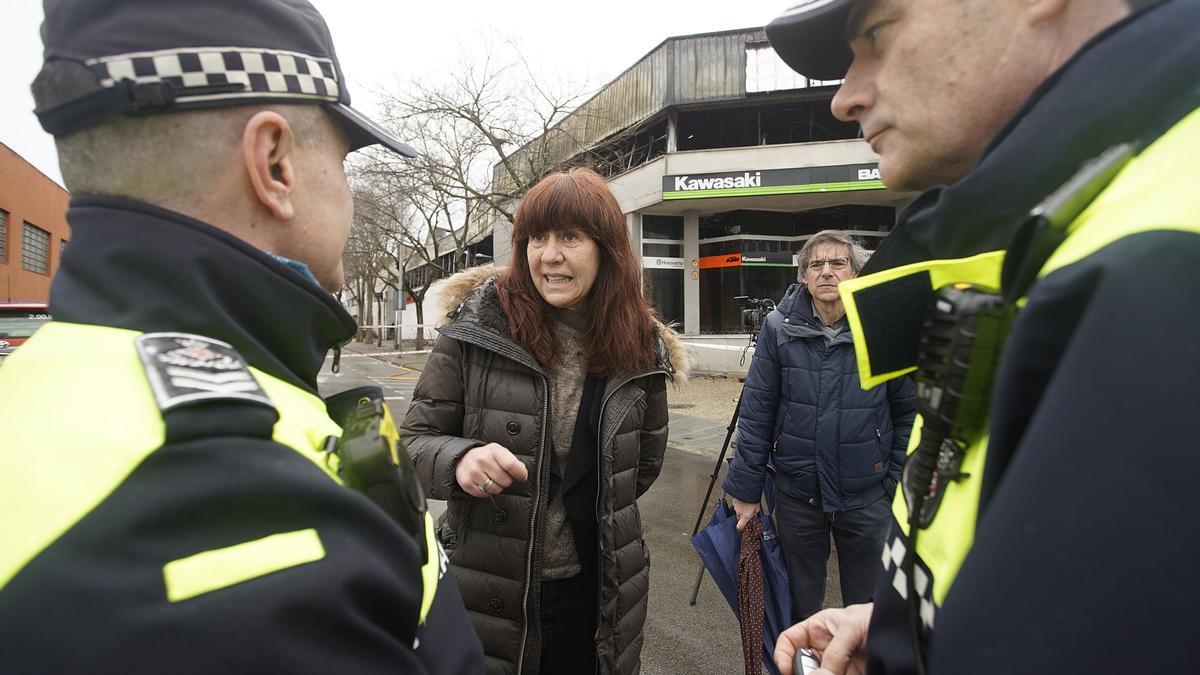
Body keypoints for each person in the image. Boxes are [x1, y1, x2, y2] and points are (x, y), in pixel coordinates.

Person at [0, 0, 483, 672]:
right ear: (275, 164)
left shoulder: (29, 390)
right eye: (343, 160)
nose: (345, 193)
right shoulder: (263, 529)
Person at [765, 0, 1199, 674]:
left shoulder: (1165, 262)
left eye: (877, 33)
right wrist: (910, 629)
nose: (844, 98)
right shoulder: (1047, 239)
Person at [401, 167, 688, 675]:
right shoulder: (476, 329)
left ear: (607, 249)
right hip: (488, 588)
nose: (549, 255)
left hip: (596, 592)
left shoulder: (641, 347)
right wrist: (461, 459)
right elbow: (412, 444)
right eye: (537, 237)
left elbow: (641, 466)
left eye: (570, 237)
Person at [724, 230, 915, 623]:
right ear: (804, 277)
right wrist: (745, 490)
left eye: (838, 263)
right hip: (798, 495)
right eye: (816, 264)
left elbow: (908, 412)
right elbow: (758, 411)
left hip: (867, 495)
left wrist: (894, 485)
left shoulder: (881, 325)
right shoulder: (779, 328)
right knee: (799, 607)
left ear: (855, 273)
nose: (827, 272)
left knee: (868, 612)